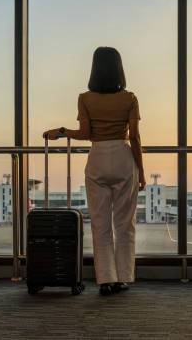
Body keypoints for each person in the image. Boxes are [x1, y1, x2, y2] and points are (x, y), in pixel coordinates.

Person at [43, 47, 146, 296]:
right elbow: (135, 138)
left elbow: (86, 134)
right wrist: (141, 171)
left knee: (100, 224)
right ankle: (124, 278)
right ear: (119, 68)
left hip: (98, 156)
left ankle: (106, 280)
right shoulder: (130, 98)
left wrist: (62, 131)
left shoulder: (85, 98)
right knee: (125, 223)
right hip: (123, 157)